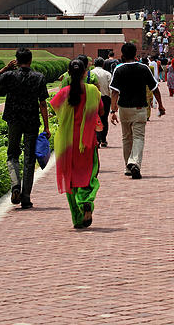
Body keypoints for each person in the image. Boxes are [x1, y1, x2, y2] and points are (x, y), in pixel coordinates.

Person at [0, 48, 50, 209]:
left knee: (12, 154)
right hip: (31, 120)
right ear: (30, 60)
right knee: (29, 159)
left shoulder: (10, 75)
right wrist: (47, 127)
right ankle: (26, 197)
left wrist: (6, 68)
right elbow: (42, 103)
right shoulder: (39, 77)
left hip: (14, 119)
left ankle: (16, 185)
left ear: (16, 60)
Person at [49, 59, 103, 229]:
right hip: (86, 143)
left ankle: (78, 219)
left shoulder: (63, 93)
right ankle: (86, 200)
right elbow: (100, 110)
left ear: (68, 73)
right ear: (86, 73)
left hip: (67, 143)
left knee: (71, 180)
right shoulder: (93, 91)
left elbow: (55, 110)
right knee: (89, 176)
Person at [109, 42, 165, 179]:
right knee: (138, 137)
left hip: (123, 108)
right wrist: (161, 105)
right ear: (135, 54)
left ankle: (128, 167)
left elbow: (114, 92)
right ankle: (134, 163)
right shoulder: (143, 68)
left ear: (122, 55)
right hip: (140, 108)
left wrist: (112, 111)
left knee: (126, 138)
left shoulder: (119, 69)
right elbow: (155, 88)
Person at [92, 57, 112, 148]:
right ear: (103, 64)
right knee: (104, 119)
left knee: (94, 119)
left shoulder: (90, 74)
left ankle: (97, 139)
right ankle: (103, 139)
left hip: (93, 99)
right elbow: (111, 89)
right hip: (105, 98)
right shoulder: (107, 74)